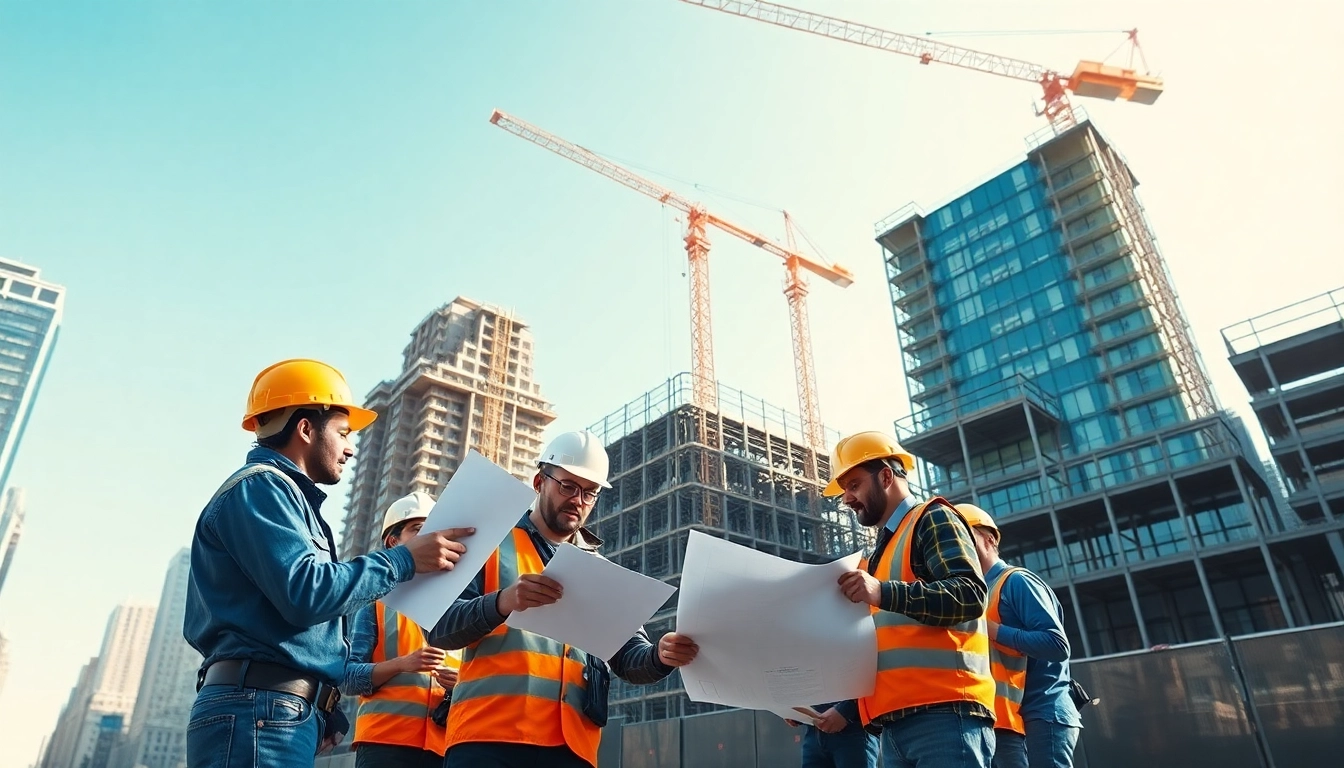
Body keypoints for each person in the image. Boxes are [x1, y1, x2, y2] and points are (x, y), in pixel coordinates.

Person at [184, 359, 474, 768]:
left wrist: (325, 701)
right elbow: (308, 592)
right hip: (260, 710)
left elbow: (299, 621)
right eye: (342, 433)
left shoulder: (284, 498)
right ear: (305, 429)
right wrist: (404, 560)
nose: (351, 448)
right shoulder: (261, 488)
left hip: (277, 711)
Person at [430, 429, 700, 768]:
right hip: (489, 738)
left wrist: (660, 656)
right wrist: (503, 602)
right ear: (540, 481)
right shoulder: (491, 542)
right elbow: (440, 628)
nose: (578, 499)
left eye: (589, 493)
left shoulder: (599, 570)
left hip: (572, 747)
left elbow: (628, 656)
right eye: (568, 486)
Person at [821, 431, 996, 768]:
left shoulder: (933, 517)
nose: (846, 499)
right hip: (893, 725)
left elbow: (970, 594)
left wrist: (881, 592)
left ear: (886, 476)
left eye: (854, 485)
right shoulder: (880, 552)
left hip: (945, 716)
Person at [343, 492, 464, 768]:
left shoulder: (460, 606)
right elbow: (346, 677)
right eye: (419, 530)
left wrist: (461, 685)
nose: (430, 538)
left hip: (447, 745)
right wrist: (402, 664)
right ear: (392, 541)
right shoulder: (375, 602)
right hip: (385, 744)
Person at [956, 503, 1082, 768]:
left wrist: (992, 631)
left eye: (964, 536)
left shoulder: (1017, 581)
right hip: (1006, 718)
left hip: (1043, 712)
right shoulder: (976, 593)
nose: (958, 546)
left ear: (989, 539)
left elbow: (1057, 645)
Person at [785, 701, 880, 768]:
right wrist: (798, 714)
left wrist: (846, 709)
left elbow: (868, 680)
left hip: (853, 730)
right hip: (813, 732)